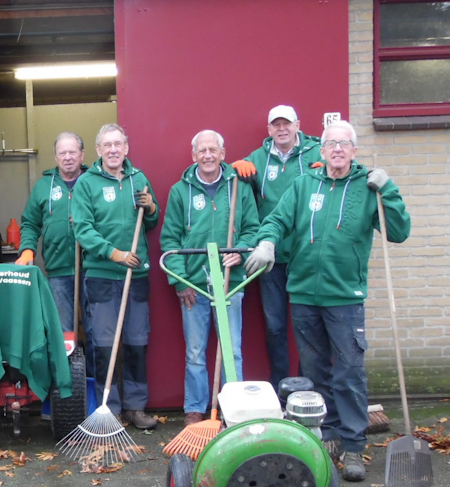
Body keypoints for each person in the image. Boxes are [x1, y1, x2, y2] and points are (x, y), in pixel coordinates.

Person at [246, 120, 410, 481]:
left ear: (354, 150)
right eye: (331, 144)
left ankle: (353, 447)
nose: (337, 149)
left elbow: (399, 233)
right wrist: (267, 241)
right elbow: (275, 219)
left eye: (344, 144)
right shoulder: (304, 185)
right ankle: (329, 435)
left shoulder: (368, 188)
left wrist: (390, 190)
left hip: (345, 299)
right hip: (303, 294)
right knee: (315, 372)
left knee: (349, 372)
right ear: (321, 151)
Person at [161, 130, 259, 428]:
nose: (207, 155)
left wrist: (240, 253)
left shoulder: (239, 188)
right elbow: (170, 241)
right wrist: (179, 281)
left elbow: (253, 228)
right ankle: (195, 409)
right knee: (195, 352)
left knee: (232, 351)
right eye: (202, 150)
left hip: (231, 281)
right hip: (194, 284)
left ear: (222, 152)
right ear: (194, 155)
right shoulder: (180, 191)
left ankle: (235, 409)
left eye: (213, 150)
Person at [72, 123, 159, 430]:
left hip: (136, 277)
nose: (113, 150)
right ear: (98, 150)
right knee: (105, 346)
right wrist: (114, 254)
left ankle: (136, 407)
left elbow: (151, 222)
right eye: (107, 145)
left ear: (126, 148)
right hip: (103, 276)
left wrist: (150, 209)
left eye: (118, 144)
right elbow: (82, 229)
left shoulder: (139, 178)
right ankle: (109, 409)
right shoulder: (87, 184)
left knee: (137, 343)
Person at [231, 105, 322, 390]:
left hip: (305, 255)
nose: (281, 129)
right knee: (275, 326)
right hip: (270, 256)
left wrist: (328, 169)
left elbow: (347, 168)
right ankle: (281, 384)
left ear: (297, 125)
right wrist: (235, 167)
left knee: (306, 324)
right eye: (276, 125)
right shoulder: (259, 158)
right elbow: (231, 178)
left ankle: (306, 385)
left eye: (287, 124)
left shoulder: (316, 153)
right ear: (269, 129)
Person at [16, 132, 89, 333]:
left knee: (97, 333)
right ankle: (68, 366)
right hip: (58, 271)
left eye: (72, 152)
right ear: (56, 157)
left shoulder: (94, 183)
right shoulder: (43, 186)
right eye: (62, 153)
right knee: (63, 332)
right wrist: (27, 250)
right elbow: (30, 223)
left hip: (93, 269)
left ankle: (93, 366)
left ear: (82, 155)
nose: (68, 157)